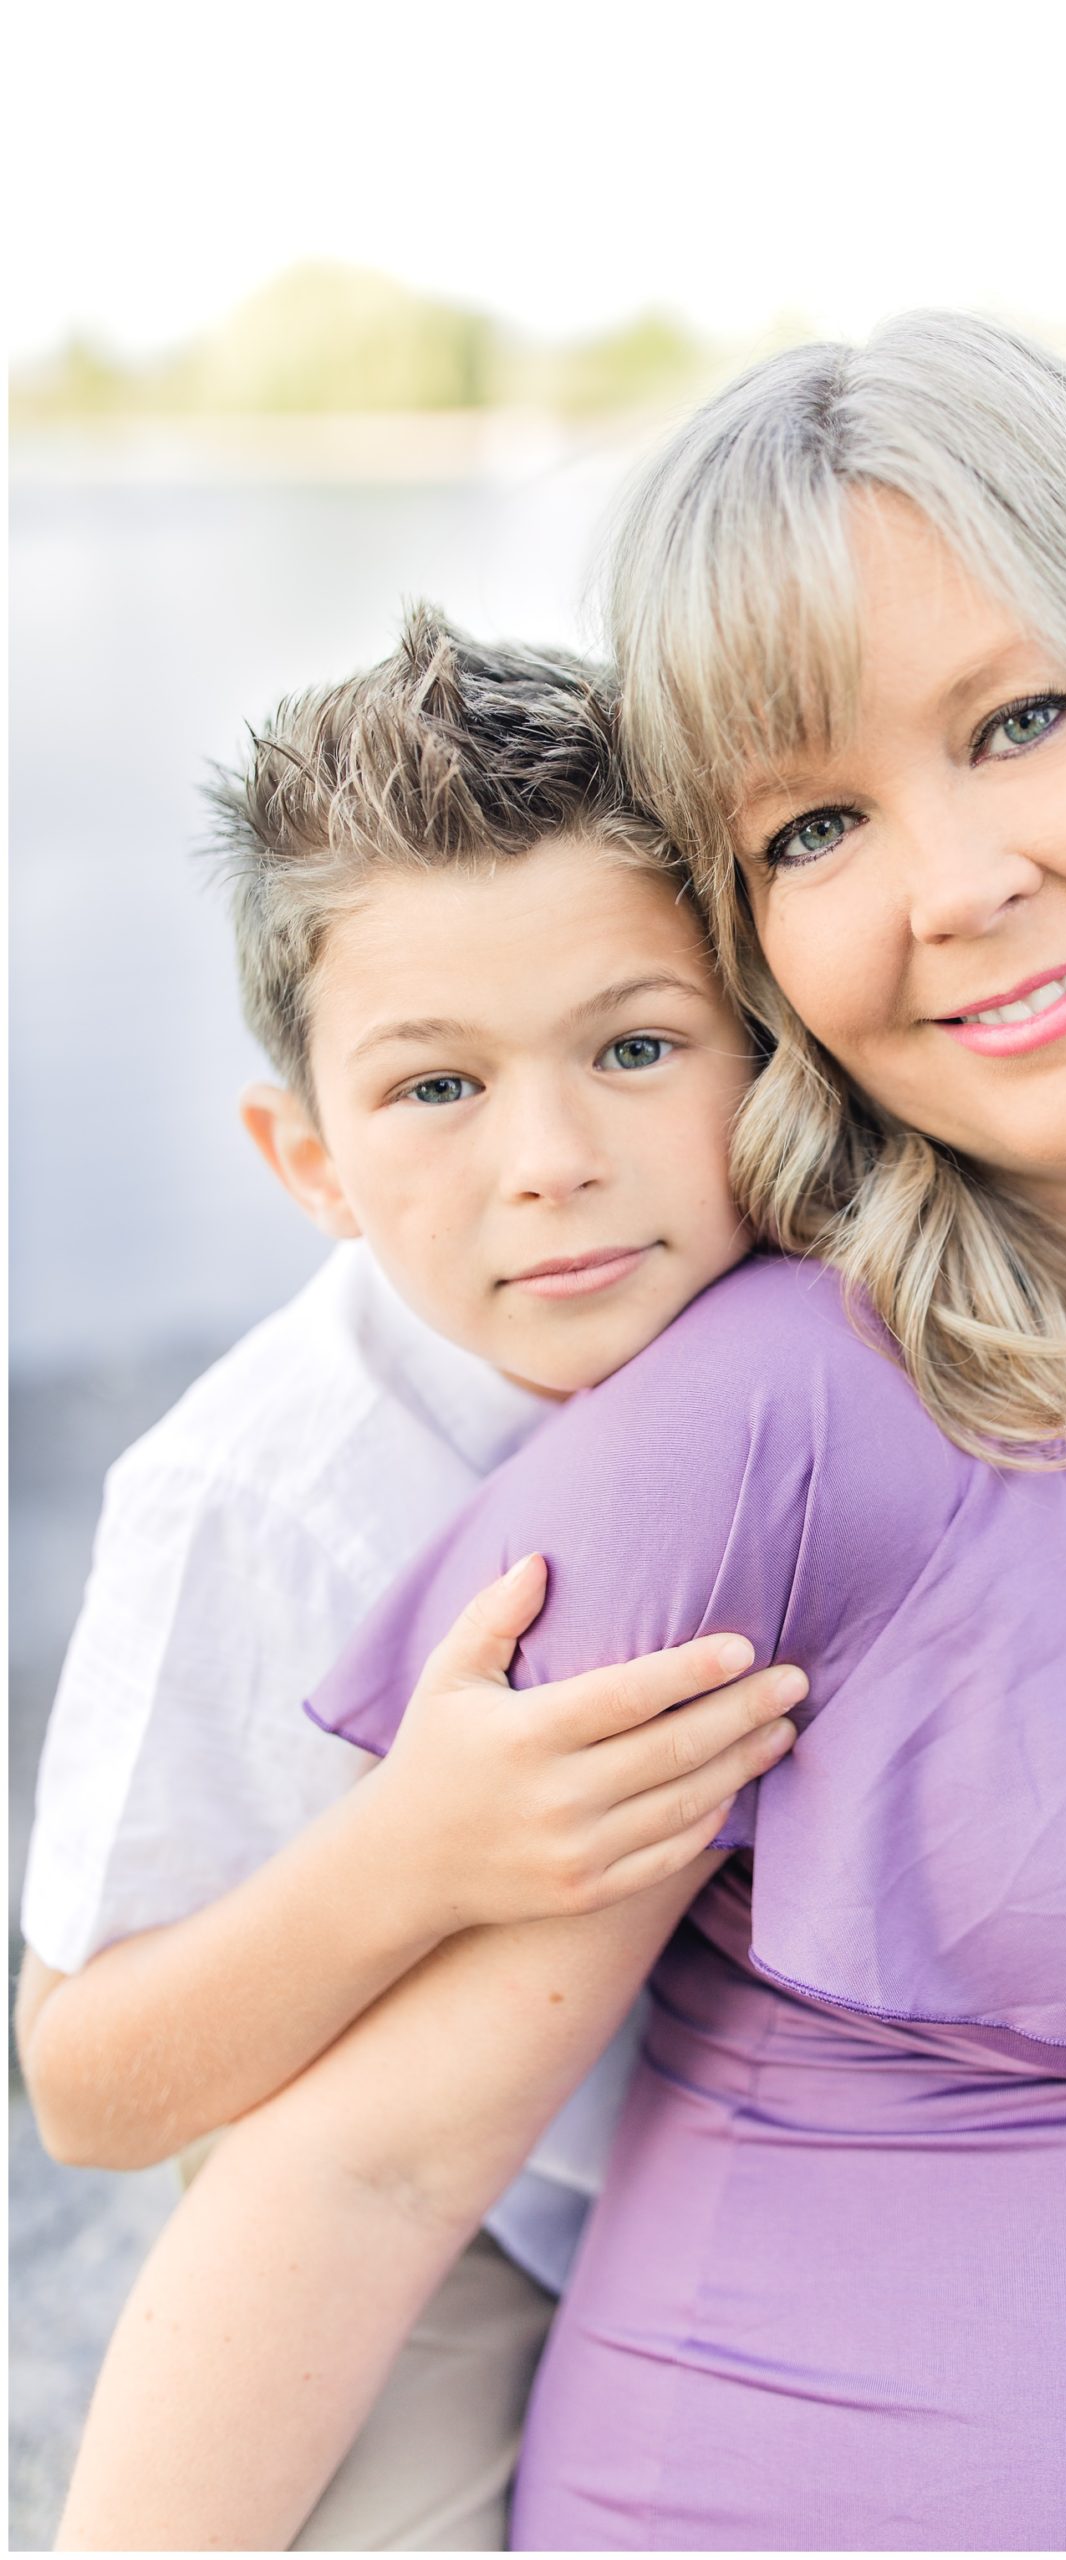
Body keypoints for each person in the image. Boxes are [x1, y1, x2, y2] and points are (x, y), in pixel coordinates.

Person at [58, 317, 1066, 2553]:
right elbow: (352, 2173)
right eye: (818, 823)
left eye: (1021, 719)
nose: (952, 884)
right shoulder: (769, 1422)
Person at [18, 606, 804, 2551]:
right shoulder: (255, 1495)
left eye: (635, 1044)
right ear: (307, 1156)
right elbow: (93, 2082)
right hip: (469, 2214)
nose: (550, 1157)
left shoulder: (822, 1304)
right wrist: (420, 1849)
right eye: (434, 1087)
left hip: (786, 2168)